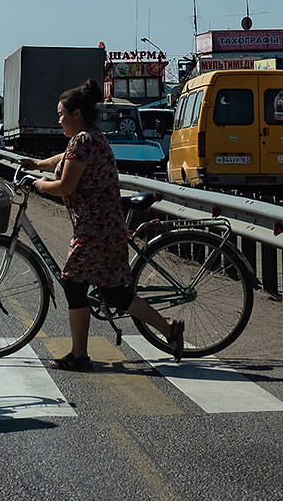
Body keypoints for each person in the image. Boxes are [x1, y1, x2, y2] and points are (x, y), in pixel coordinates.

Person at [21, 78, 183, 370]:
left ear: (76, 114)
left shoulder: (83, 141)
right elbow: (65, 158)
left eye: (61, 114)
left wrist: (39, 185)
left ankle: (80, 356)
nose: (58, 120)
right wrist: (37, 163)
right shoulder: (90, 138)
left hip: (95, 229)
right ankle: (169, 328)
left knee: (73, 283)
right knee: (115, 293)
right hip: (107, 227)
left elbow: (66, 186)